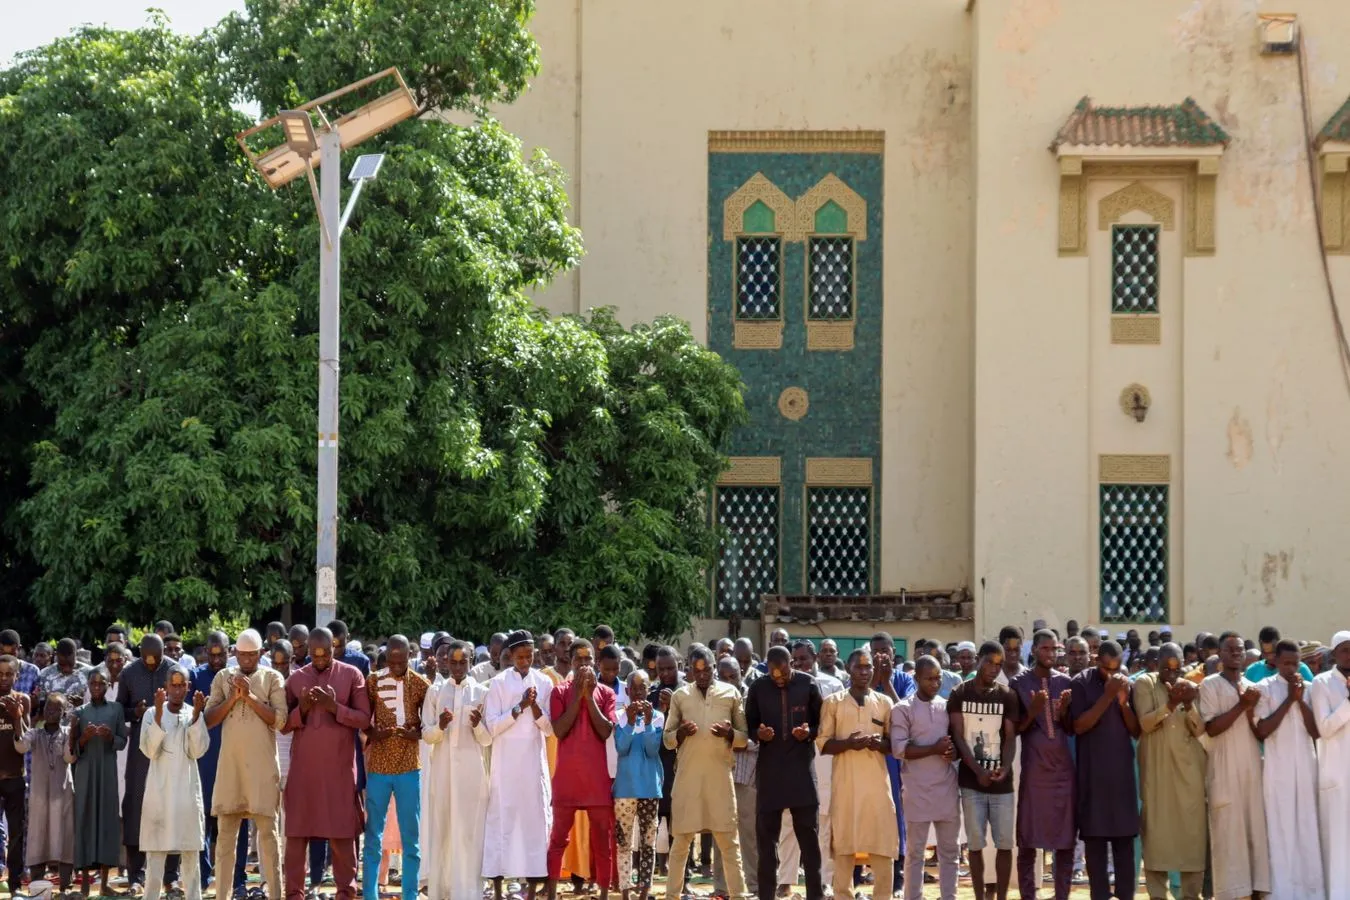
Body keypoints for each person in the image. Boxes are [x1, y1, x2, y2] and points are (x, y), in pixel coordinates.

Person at [283, 627, 371, 900]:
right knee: (297, 834)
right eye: (315, 654)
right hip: (304, 772)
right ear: (308, 652)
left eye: (325, 653)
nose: (320, 659)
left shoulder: (351, 674)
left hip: (339, 771)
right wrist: (304, 709)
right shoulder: (296, 679)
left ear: (334, 649)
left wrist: (335, 708)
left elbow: (364, 719)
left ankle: (346, 892)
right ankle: (294, 894)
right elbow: (283, 723)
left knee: (343, 834)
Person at [203, 628, 287, 900]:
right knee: (225, 838)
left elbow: (280, 721)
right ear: (235, 654)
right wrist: (234, 697)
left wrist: (249, 697)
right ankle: (222, 896)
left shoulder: (273, 677)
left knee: (269, 838)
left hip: (262, 769)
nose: (248, 659)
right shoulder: (222, 678)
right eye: (243, 655)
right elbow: (208, 720)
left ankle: (275, 894)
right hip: (231, 769)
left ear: (261, 654)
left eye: (253, 655)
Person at [662, 646, 750, 900]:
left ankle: (738, 895)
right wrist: (680, 734)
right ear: (689, 669)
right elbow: (667, 740)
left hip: (720, 779)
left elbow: (744, 740)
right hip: (688, 780)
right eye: (696, 670)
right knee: (680, 844)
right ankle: (672, 896)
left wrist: (730, 734)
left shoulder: (730, 693)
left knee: (729, 843)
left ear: (714, 667)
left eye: (707, 670)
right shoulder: (680, 696)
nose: (702, 675)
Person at [746, 646, 823, 900]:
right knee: (767, 844)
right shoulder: (758, 688)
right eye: (774, 674)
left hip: (801, 773)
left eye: (784, 672)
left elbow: (820, 724)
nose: (779, 678)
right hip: (770, 775)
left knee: (810, 844)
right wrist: (760, 733)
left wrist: (808, 731)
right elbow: (749, 724)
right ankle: (766, 896)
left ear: (792, 663)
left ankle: (815, 895)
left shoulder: (808, 685)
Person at [1198, 631, 1270, 900]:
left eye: (1240, 649)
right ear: (1220, 654)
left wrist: (1249, 706)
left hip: (1251, 766)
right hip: (1223, 766)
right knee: (1228, 829)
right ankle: (1230, 892)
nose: (1237, 653)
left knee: (1254, 828)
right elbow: (1212, 728)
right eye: (1231, 649)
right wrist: (1243, 705)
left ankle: (1256, 888)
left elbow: (1259, 730)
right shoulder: (1210, 685)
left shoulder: (1252, 686)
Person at [822, 649, 900, 900]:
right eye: (859, 667)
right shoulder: (833, 703)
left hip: (877, 787)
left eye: (868, 668)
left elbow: (895, 745)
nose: (864, 672)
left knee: (883, 845)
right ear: (848, 668)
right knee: (843, 845)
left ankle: (883, 896)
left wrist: (880, 743)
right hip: (846, 786)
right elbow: (823, 744)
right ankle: (842, 895)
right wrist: (848, 744)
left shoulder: (884, 702)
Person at [482, 630, 554, 900]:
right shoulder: (498, 683)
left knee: (534, 823)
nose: (525, 661)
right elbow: (491, 726)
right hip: (505, 765)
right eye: (520, 656)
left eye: (529, 656)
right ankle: (500, 889)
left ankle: (532, 890)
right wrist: (519, 706)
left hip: (533, 765)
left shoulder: (544, 682)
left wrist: (534, 707)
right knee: (503, 822)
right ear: (510, 656)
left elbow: (548, 729)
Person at [1133, 643, 1206, 900]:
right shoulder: (1145, 684)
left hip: (1188, 775)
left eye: (1177, 669)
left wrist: (1189, 703)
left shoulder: (1189, 687)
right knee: (1156, 836)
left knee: (1192, 835)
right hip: (1157, 773)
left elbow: (1199, 730)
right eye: (1166, 668)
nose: (1172, 674)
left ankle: (1190, 895)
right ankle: (1157, 896)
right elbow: (1145, 723)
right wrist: (1171, 704)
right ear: (1156, 664)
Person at [1252, 638, 1324, 900]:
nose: (1291, 668)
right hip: (1278, 769)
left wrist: (1300, 700)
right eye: (1286, 663)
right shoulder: (1264, 688)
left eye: (1295, 663)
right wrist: (1288, 701)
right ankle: (1281, 892)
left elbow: (1316, 731)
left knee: (1307, 826)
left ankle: (1311, 891)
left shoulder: (1310, 688)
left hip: (1306, 766)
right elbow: (1262, 731)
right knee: (1280, 828)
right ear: (1275, 662)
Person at [1068, 639, 1139, 900]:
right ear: (1096, 660)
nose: (1112, 674)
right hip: (1092, 778)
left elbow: (1135, 730)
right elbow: (1079, 726)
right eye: (1107, 668)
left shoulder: (1126, 683)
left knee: (1124, 848)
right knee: (1095, 847)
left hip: (1121, 779)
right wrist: (1108, 695)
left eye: (1117, 668)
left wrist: (1122, 703)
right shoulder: (1081, 683)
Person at [546, 639, 616, 900]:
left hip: (597, 780)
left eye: (588, 660)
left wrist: (590, 697)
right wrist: (579, 695)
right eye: (579, 660)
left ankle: (604, 894)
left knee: (602, 839)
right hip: (568, 779)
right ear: (571, 662)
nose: (584, 665)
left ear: (595, 662)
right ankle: (552, 893)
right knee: (558, 839)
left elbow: (606, 730)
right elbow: (560, 729)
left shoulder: (607, 693)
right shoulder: (559, 692)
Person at [361, 634, 430, 900]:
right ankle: (370, 894)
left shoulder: (422, 684)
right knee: (373, 837)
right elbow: (362, 717)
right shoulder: (373, 681)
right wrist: (372, 732)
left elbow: (431, 722)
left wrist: (419, 732)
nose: (396, 665)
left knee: (411, 840)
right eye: (392, 660)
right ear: (386, 657)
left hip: (409, 768)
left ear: (409, 658)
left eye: (401, 661)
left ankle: (409, 895)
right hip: (379, 767)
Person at [422, 639, 491, 900]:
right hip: (442, 773)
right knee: (443, 830)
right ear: (446, 662)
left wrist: (477, 726)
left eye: (463, 662)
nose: (458, 667)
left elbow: (486, 740)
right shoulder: (436, 692)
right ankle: (442, 891)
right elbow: (427, 735)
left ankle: (469, 892)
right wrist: (439, 726)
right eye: (454, 662)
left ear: (470, 662)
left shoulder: (481, 693)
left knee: (469, 832)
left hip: (471, 775)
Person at [947, 641, 1016, 900]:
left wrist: (1006, 767)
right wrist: (977, 770)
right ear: (978, 660)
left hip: (1002, 783)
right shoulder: (959, 693)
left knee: (1005, 844)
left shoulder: (1007, 695)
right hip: (970, 781)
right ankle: (978, 896)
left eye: (999, 664)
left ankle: (1001, 897)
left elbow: (1009, 738)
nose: (994, 669)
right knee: (975, 844)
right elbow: (958, 735)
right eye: (990, 662)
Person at [1009, 629, 1075, 900]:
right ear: (1034, 651)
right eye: (1045, 649)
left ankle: (1061, 895)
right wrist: (1035, 710)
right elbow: (1016, 729)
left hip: (1063, 769)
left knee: (1066, 837)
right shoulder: (1019, 683)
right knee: (1028, 836)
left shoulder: (1066, 682)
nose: (1051, 654)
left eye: (1054, 649)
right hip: (1035, 767)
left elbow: (1070, 729)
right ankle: (1028, 896)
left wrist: (1066, 711)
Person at [138, 668, 209, 900]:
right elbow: (149, 750)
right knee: (155, 857)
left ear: (188, 686)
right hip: (160, 794)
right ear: (166, 686)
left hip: (186, 793)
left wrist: (198, 715)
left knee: (190, 857)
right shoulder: (150, 713)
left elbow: (197, 751)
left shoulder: (192, 713)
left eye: (182, 686)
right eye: (173, 685)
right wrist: (159, 713)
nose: (177, 691)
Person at [775, 640, 838, 897]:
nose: (800, 664)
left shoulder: (833, 685)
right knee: (790, 820)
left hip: (823, 759)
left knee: (823, 821)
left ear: (815, 658)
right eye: (795, 660)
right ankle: (786, 879)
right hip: (793, 759)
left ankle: (824, 880)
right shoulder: (784, 687)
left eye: (804, 659)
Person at [121, 633, 184, 889]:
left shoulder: (174, 669)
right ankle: (135, 875)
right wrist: (134, 712)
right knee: (136, 805)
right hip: (140, 751)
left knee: (171, 805)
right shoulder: (129, 673)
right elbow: (120, 708)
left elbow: (184, 704)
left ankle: (172, 875)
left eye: (156, 660)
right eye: (146, 660)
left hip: (171, 749)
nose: (151, 664)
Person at [70, 668, 125, 896]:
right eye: (92, 684)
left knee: (106, 822)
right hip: (85, 773)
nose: (96, 688)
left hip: (107, 773)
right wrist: (83, 738)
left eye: (101, 684)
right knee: (84, 820)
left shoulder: (116, 709)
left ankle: (103, 883)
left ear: (107, 686)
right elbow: (72, 749)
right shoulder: (80, 712)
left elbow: (122, 741)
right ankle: (83, 883)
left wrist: (110, 736)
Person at [868, 632, 916, 892]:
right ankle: (861, 875)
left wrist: (886, 685)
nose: (881, 656)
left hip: (895, 758)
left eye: (884, 650)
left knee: (897, 814)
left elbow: (906, 713)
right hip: (868, 756)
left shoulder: (904, 679)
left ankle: (898, 878)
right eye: (876, 651)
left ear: (893, 650)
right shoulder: (862, 677)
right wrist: (875, 679)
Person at [18, 691, 75, 892]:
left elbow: (69, 758)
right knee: (37, 835)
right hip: (39, 795)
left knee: (65, 835)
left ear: (64, 712)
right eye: (48, 708)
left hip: (63, 792)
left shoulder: (68, 732)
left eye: (57, 709)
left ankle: (65, 886)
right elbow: (20, 746)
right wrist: (18, 721)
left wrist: (75, 728)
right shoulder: (35, 733)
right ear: (42, 711)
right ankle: (37, 886)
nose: (52, 712)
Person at [614, 670, 663, 900]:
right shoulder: (619, 716)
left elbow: (653, 750)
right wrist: (631, 722)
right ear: (627, 691)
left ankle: (644, 892)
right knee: (623, 841)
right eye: (634, 689)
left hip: (649, 788)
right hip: (625, 789)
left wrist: (649, 723)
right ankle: (625, 891)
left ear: (648, 690)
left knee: (647, 842)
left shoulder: (658, 717)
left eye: (642, 688)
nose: (638, 693)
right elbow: (621, 748)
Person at [713, 657, 758, 900]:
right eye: (724, 676)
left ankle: (751, 886)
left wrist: (736, 740)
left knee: (748, 836)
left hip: (746, 776)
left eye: (733, 676)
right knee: (722, 833)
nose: (729, 680)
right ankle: (722, 887)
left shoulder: (753, 699)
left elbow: (760, 741)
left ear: (742, 673)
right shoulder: (711, 700)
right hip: (719, 775)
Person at [191, 631, 231, 891]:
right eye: (211, 654)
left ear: (230, 651)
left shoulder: (240, 677)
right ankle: (203, 879)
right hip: (204, 760)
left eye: (221, 654)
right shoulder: (195, 677)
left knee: (231, 820)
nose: (216, 660)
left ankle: (233, 880)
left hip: (233, 758)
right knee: (203, 821)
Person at [1312, 629, 1350, 898]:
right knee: (1338, 845)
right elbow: (1324, 728)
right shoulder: (1321, 683)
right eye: (1345, 649)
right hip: (1336, 775)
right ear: (1334, 654)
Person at [0, 655, 32, 896]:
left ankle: (15, 886)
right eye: (0, 674)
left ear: (16, 675)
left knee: (17, 834)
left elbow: (26, 741)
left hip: (15, 777)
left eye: (8, 674)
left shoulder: (23, 700)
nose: (3, 678)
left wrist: (17, 717)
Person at [1245, 625, 1314, 684]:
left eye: (1273, 652)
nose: (1270, 657)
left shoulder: (1301, 669)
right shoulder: (1252, 670)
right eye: (1265, 653)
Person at [0, 630, 40, 696]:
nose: (8, 658)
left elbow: (37, 700)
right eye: (3, 654)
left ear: (19, 649)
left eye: (11, 654)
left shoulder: (32, 671)